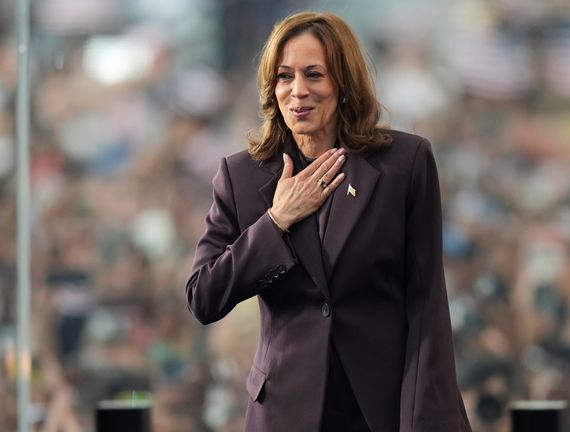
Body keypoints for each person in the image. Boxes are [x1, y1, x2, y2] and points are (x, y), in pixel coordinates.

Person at [186, 11, 471, 432]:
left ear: (344, 83)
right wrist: (276, 220)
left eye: (314, 74)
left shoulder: (404, 165)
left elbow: (426, 305)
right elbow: (203, 296)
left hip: (380, 410)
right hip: (284, 411)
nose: (298, 91)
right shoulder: (241, 176)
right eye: (285, 76)